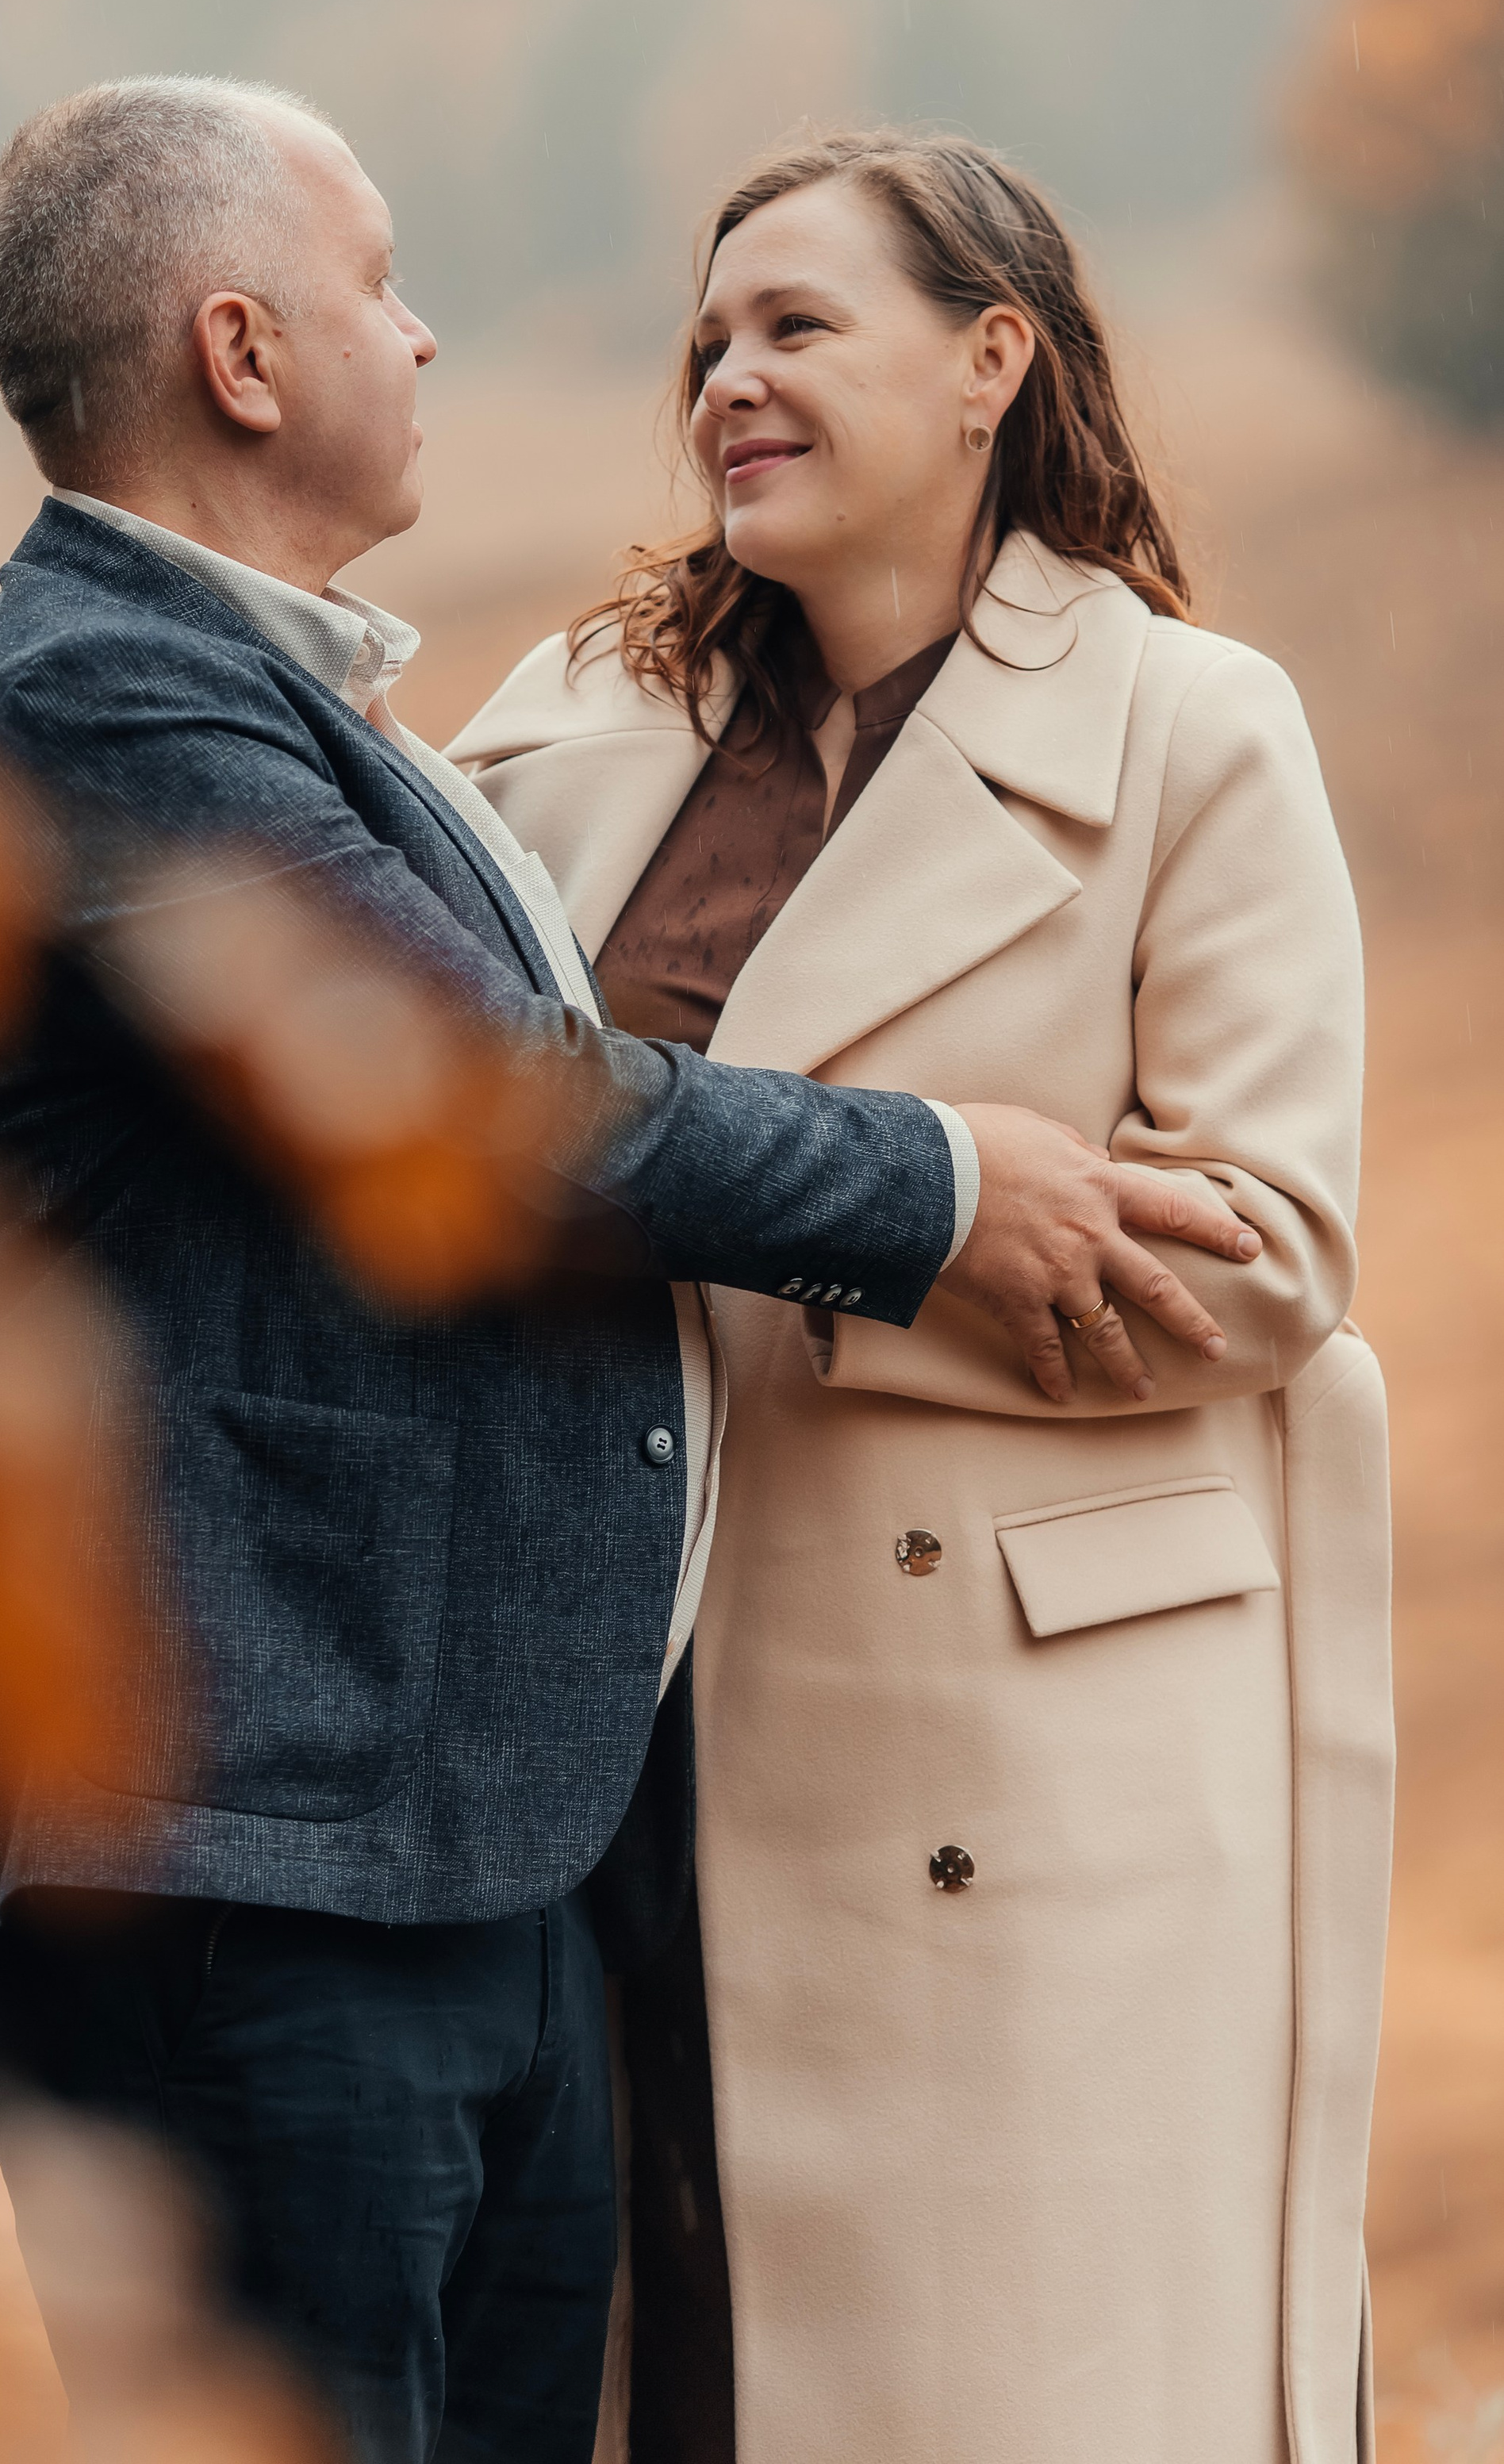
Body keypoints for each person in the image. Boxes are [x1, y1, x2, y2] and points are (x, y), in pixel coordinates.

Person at [0, 81, 1260, 2464]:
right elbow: (489, 1108)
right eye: (382, 284)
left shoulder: (314, 706)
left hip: (444, 1851)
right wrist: (947, 1186)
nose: (425, 340)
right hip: (235, 1844)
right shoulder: (101, 699)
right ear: (241, 351)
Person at [450, 128, 1395, 2464]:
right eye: (708, 341)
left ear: (993, 364)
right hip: (622, 1720)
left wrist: (837, 1237)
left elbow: (1262, 1252)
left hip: (1033, 1750)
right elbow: (436, 1114)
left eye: (794, 329)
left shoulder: (1197, 726)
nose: (726, 385)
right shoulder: (574, 722)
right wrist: (905, 1200)